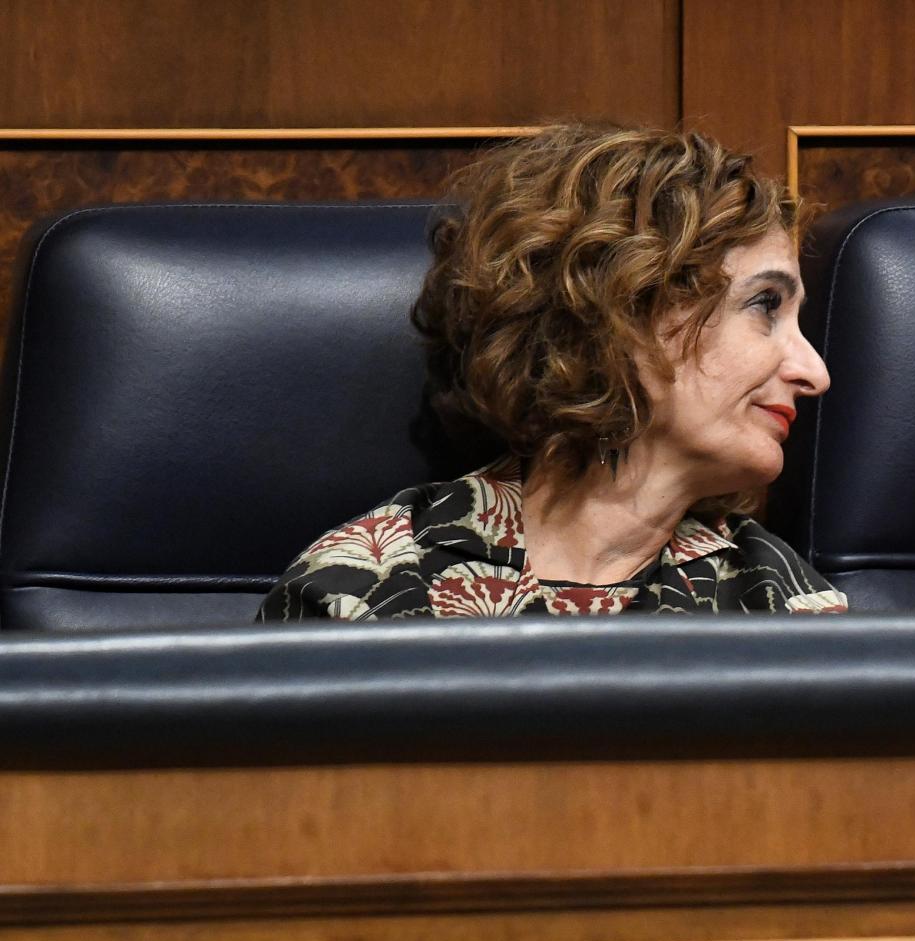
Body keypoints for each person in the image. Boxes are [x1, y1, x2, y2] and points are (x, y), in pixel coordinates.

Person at [260, 122, 846, 619]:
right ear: (626, 309)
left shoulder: (779, 604)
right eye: (765, 305)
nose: (814, 372)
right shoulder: (362, 591)